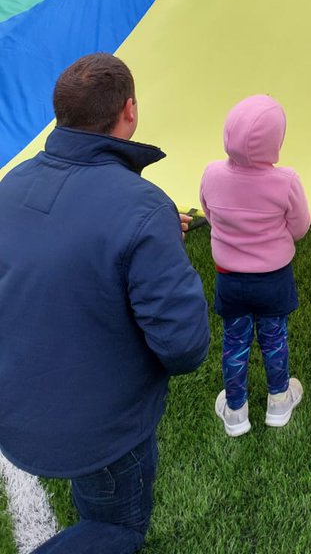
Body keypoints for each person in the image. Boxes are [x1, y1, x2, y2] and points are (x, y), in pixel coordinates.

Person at [0, 53, 210, 552]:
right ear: (130, 110)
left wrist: (149, 241)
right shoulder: (143, 206)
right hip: (100, 431)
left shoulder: (11, 184)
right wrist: (156, 246)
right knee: (117, 528)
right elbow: (185, 346)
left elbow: (57, 247)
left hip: (19, 404)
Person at [199, 95, 310, 437]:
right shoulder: (286, 180)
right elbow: (301, 225)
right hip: (273, 279)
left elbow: (208, 211)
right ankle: (279, 400)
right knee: (274, 337)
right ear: (275, 142)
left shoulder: (212, 174)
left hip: (230, 279)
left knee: (235, 341)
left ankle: (236, 410)